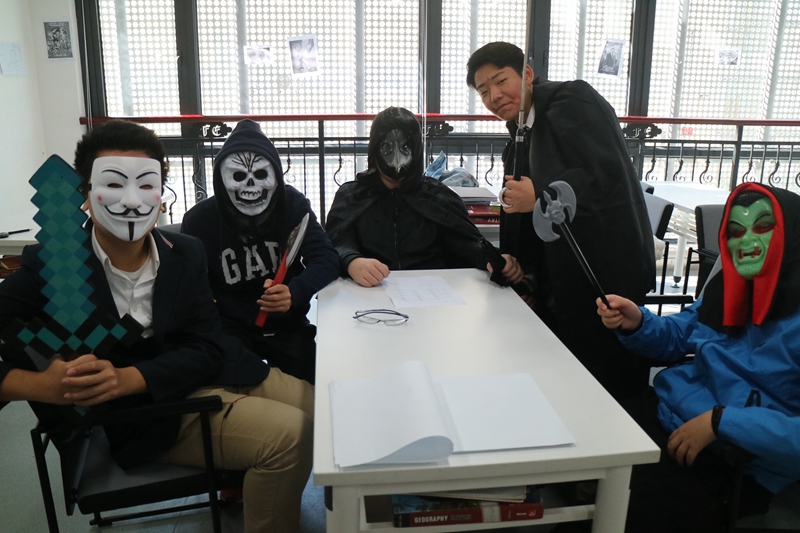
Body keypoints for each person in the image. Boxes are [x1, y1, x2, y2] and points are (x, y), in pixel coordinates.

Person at [0, 120, 314, 533]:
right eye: (114, 184)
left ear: (161, 193)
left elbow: (207, 344)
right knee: (290, 436)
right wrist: (41, 386)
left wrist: (127, 376)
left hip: (214, 371)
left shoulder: (184, 251)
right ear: (85, 196)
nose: (132, 201)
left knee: (324, 410)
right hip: (152, 416)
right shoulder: (55, 268)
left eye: (146, 184)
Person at [596, 182, 800, 532]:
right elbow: (677, 335)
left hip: (733, 462)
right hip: (667, 414)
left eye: (764, 226)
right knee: (574, 454)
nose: (747, 241)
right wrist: (638, 322)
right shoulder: (732, 289)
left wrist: (723, 423)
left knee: (614, 511)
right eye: (736, 231)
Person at [466, 42, 654, 401]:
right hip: (559, 275)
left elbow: (606, 175)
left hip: (604, 267)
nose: (494, 96)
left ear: (527, 74)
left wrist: (540, 194)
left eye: (501, 81)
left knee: (606, 381)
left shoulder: (572, 101)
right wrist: (523, 272)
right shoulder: (521, 133)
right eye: (484, 91)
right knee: (561, 380)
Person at [182, 119, 339, 385]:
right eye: (238, 176)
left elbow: (326, 257)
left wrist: (295, 292)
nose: (250, 185)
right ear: (221, 179)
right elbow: (192, 289)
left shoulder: (293, 205)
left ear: (276, 175)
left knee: (319, 386)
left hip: (286, 326)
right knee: (236, 384)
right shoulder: (199, 221)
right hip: (230, 330)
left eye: (261, 175)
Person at [325, 106, 519, 288]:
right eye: (387, 147)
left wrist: (491, 258)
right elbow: (338, 241)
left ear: (416, 149)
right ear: (375, 148)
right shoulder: (352, 196)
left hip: (433, 291)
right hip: (368, 290)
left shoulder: (437, 196)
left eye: (405, 147)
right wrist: (353, 262)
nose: (396, 158)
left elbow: (462, 243)